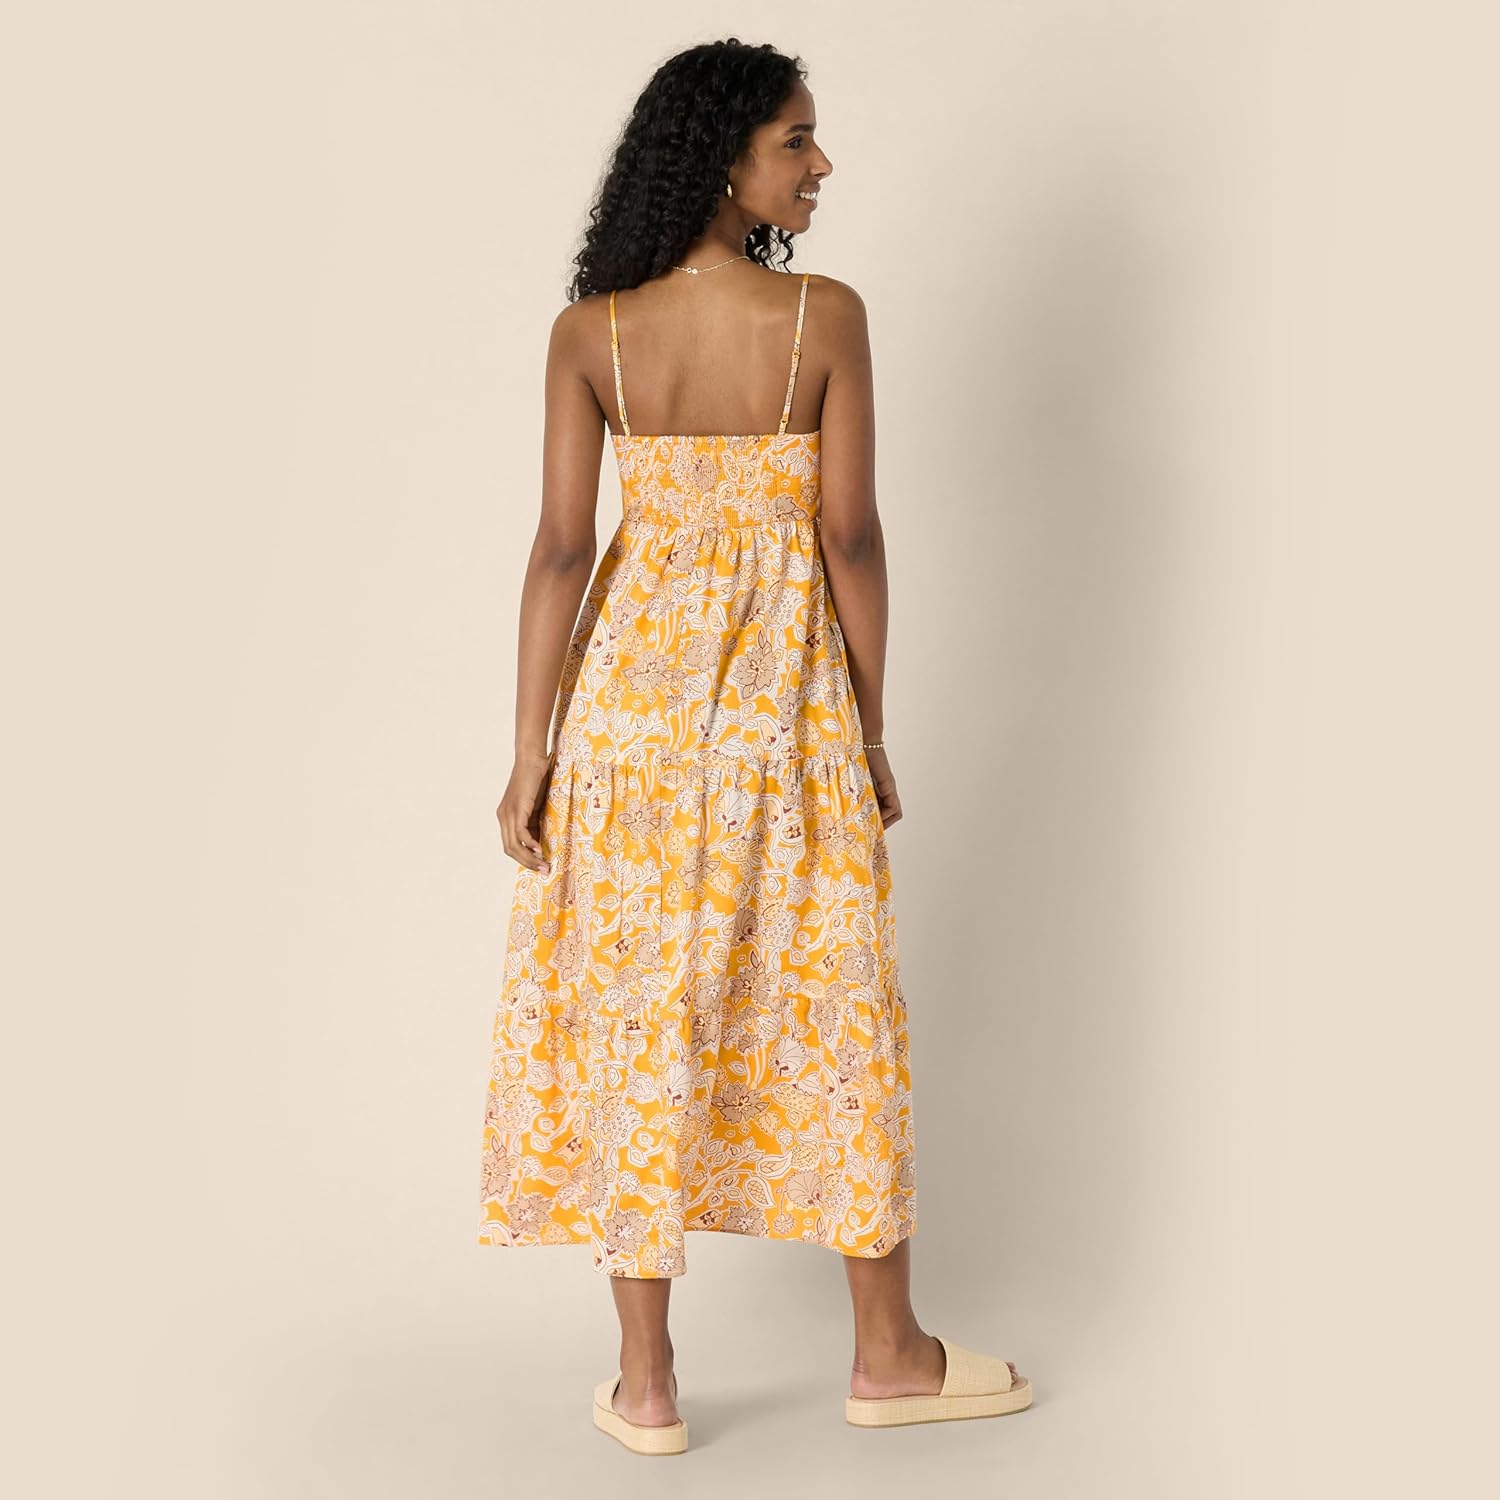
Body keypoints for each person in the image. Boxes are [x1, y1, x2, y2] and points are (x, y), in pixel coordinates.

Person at [478, 38, 1031, 1453]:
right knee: (837, 1001)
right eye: (797, 139)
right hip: (785, 713)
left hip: (630, 719)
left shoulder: (593, 333)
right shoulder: (821, 320)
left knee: (638, 1005)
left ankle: (648, 1385)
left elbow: (560, 550)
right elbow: (850, 535)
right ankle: (888, 1355)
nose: (821, 162)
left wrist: (533, 750)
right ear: (725, 159)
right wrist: (870, 723)